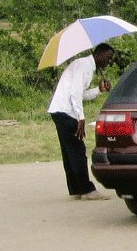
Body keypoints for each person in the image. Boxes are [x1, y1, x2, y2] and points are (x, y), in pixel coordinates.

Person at [48, 43, 114, 199]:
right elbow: (75, 94)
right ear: (99, 53)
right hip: (66, 111)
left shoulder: (85, 66)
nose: (110, 61)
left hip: (59, 110)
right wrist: (81, 118)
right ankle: (86, 190)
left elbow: (82, 94)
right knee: (78, 151)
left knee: (69, 152)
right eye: (108, 57)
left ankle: (75, 190)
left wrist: (99, 90)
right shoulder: (84, 65)